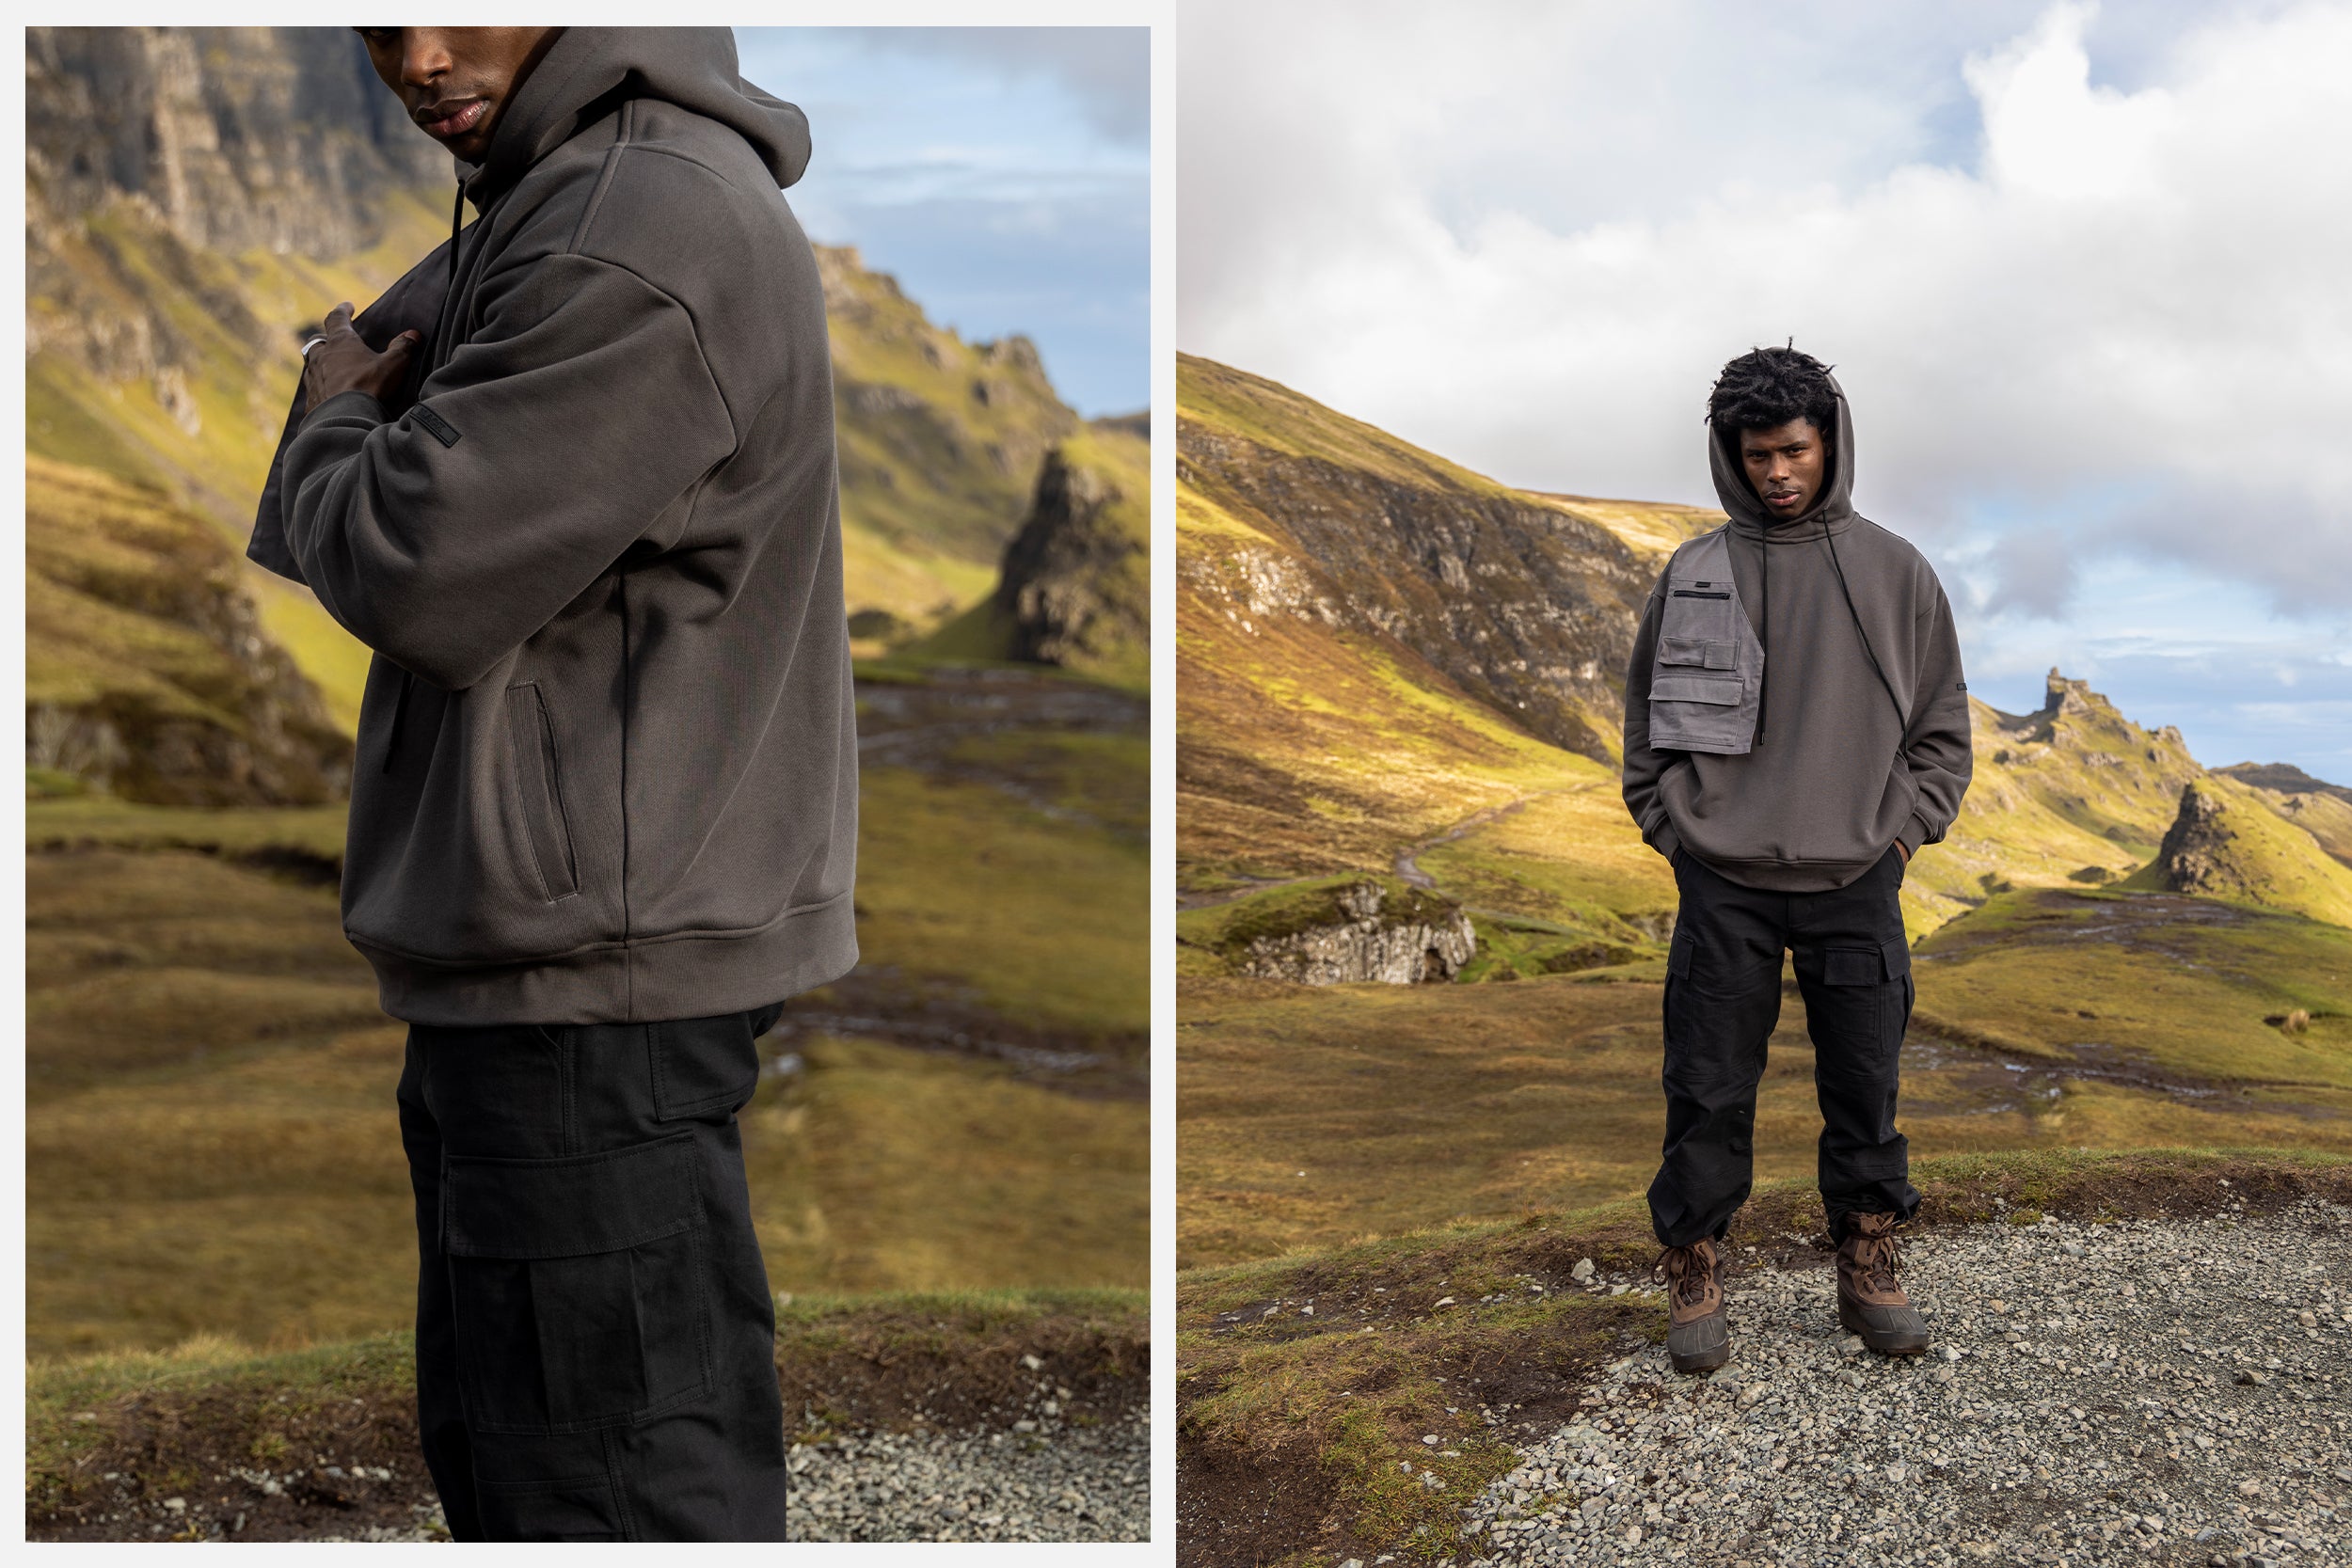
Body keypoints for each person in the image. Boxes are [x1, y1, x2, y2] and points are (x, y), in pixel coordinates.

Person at [245, 25, 856, 1540]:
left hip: (588, 984)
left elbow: (416, 560)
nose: (416, 55)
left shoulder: (633, 226)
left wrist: (332, 410)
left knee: (609, 1486)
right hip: (550, 958)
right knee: (534, 1461)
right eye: (376, 22)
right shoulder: (562, 195)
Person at [1619, 344, 1973, 1374]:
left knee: (1864, 1080)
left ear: (1830, 443)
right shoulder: (1692, 571)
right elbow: (1645, 727)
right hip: (1721, 880)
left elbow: (1941, 728)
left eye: (1794, 450)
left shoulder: (1898, 571)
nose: (1776, 472)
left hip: (1855, 875)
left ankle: (1868, 1261)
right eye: (1757, 454)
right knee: (1706, 1085)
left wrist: (1903, 831)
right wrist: (1670, 827)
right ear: (1730, 455)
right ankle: (1692, 1264)